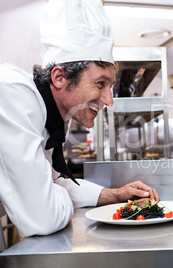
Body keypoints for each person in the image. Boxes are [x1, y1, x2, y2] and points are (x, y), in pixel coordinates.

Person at [0, 0, 159, 238]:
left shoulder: (51, 120)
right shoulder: (13, 93)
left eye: (111, 86)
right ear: (60, 77)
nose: (109, 100)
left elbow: (53, 184)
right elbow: (42, 219)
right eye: (100, 84)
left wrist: (114, 195)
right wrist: (53, 194)